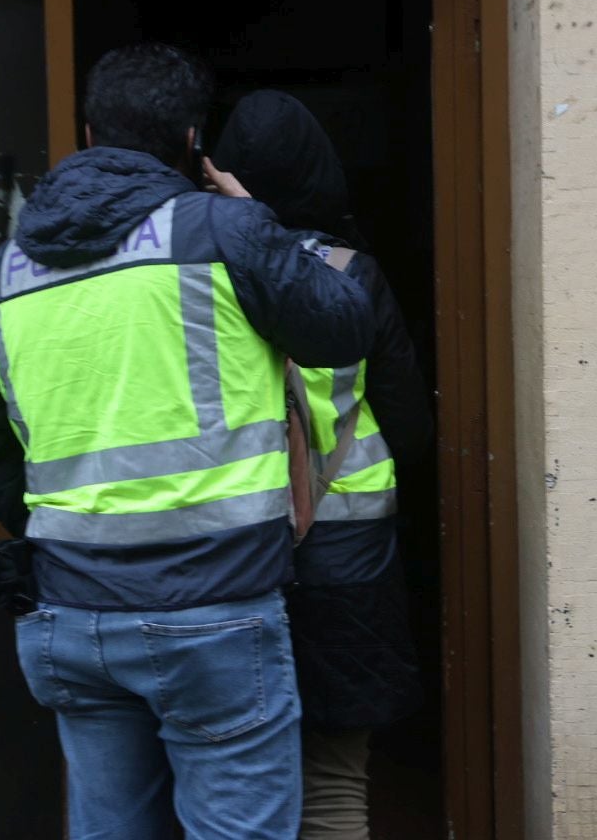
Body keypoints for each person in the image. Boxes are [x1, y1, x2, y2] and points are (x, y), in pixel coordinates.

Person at [0, 45, 376, 840]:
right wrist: (258, 216)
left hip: (71, 617)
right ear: (194, 137)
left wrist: (57, 523)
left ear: (90, 132)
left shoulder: (2, 273)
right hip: (217, 612)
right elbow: (343, 327)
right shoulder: (222, 230)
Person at [209, 89, 434, 840]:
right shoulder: (352, 272)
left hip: (224, 548)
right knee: (336, 783)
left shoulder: (198, 272)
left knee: (232, 781)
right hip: (348, 550)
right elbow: (405, 417)